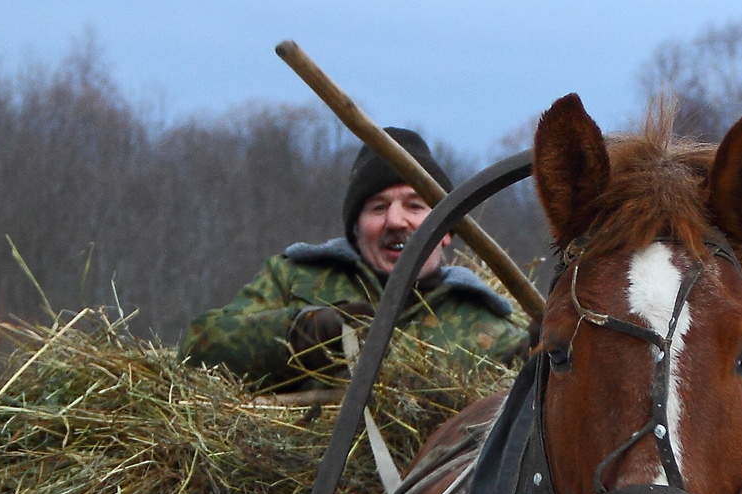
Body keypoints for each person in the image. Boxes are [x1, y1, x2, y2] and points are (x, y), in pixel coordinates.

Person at [180, 128, 525, 390]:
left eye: (415, 206)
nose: (395, 221)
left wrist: (543, 353)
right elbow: (198, 348)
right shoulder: (295, 278)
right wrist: (305, 333)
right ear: (355, 229)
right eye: (378, 207)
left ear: (447, 231)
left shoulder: (485, 326)